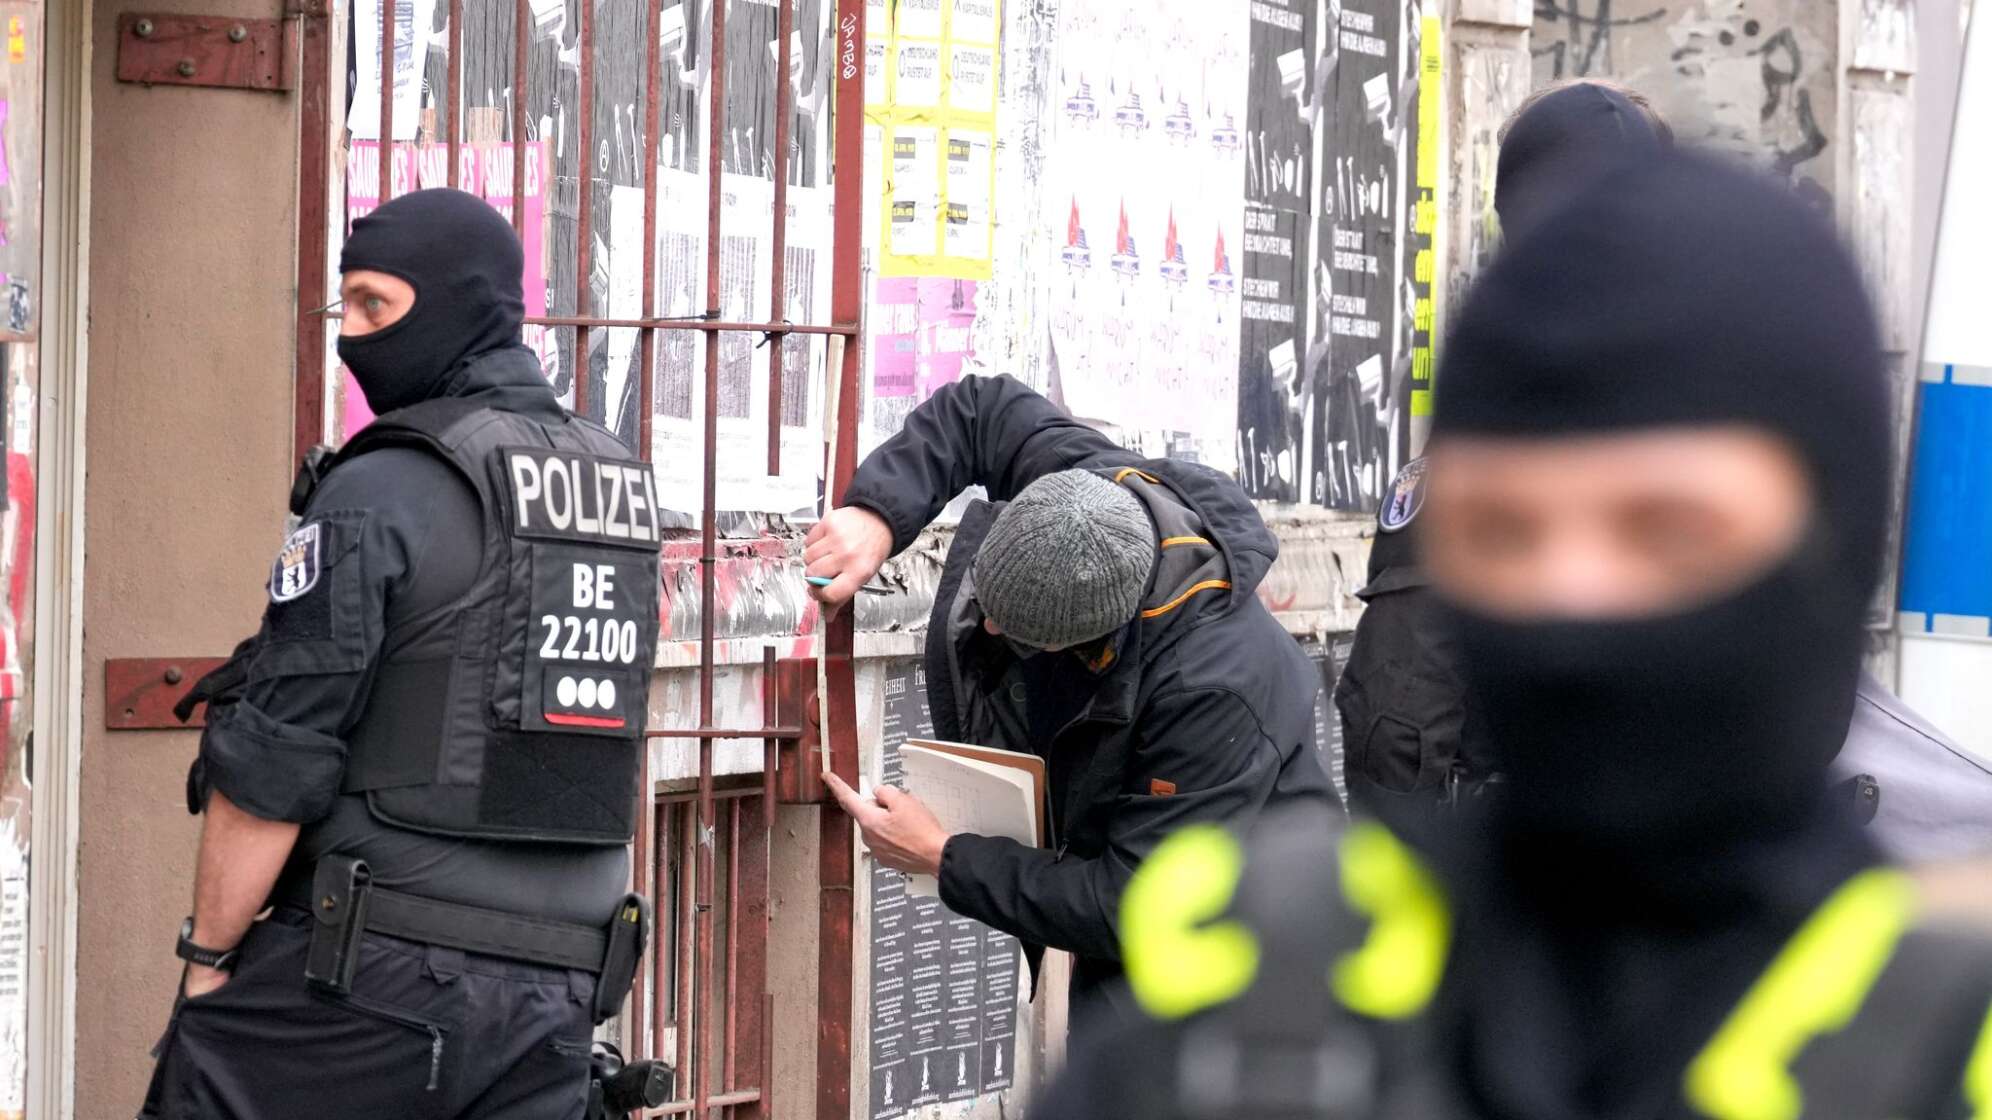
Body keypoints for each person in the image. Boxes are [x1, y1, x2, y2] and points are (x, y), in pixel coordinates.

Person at [1038, 153, 1992, 1119]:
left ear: (1840, 541)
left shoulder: (1953, 1056)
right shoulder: (1230, 1031)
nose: (1572, 596)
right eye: (1501, 532)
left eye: (1665, 528)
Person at [1337, 79, 1992, 855]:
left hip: (1543, 866)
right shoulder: (1761, 420)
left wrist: (1415, 874)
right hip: (1729, 864)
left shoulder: (1494, 447)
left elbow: (1399, 712)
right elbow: (1817, 695)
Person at [140, 189, 662, 1119]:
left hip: (372, 977)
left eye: (374, 304)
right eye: (343, 304)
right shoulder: (618, 490)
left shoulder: (382, 486)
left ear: (458, 300)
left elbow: (277, 758)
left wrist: (207, 963)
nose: (349, 333)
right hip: (561, 995)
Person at [809, 375, 1336, 1024]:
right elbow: (981, 409)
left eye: (1019, 633)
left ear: (1091, 636)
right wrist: (878, 514)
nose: (990, 628)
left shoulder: (1213, 690)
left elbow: (1136, 908)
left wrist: (946, 857)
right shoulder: (1080, 495)